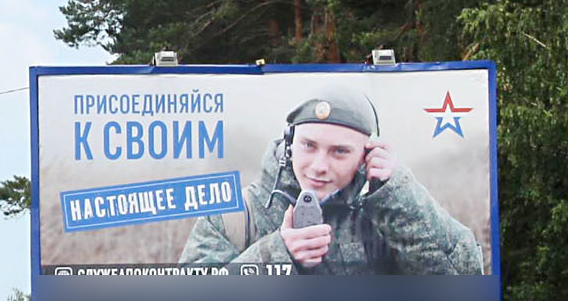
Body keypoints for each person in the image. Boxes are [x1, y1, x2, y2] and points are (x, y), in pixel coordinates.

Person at [179, 88, 484, 274]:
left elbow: (464, 282)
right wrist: (277, 255)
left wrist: (397, 193)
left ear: (366, 155)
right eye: (308, 146)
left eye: (339, 151)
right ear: (289, 143)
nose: (319, 166)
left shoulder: (391, 208)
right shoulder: (234, 214)